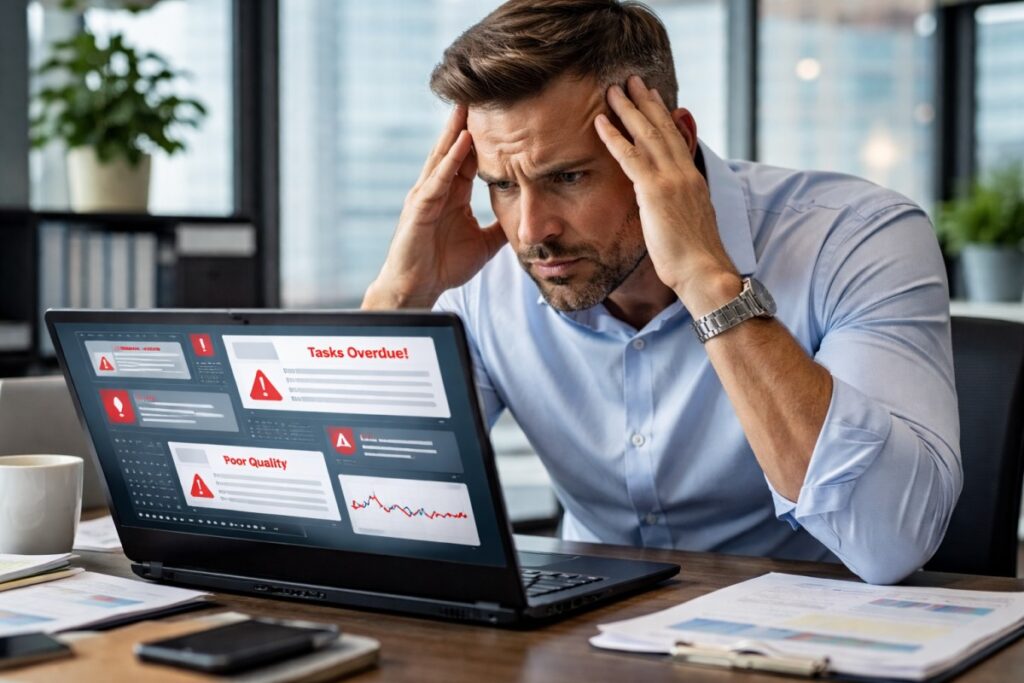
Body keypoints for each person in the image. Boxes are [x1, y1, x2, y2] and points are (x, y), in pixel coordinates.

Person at [361, 0, 960, 584]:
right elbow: (373, 517)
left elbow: (890, 543)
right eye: (501, 185)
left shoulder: (854, 236)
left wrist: (708, 280)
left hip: (810, 642)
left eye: (568, 177)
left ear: (671, 142)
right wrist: (398, 302)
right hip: (583, 638)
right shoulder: (481, 277)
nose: (530, 231)